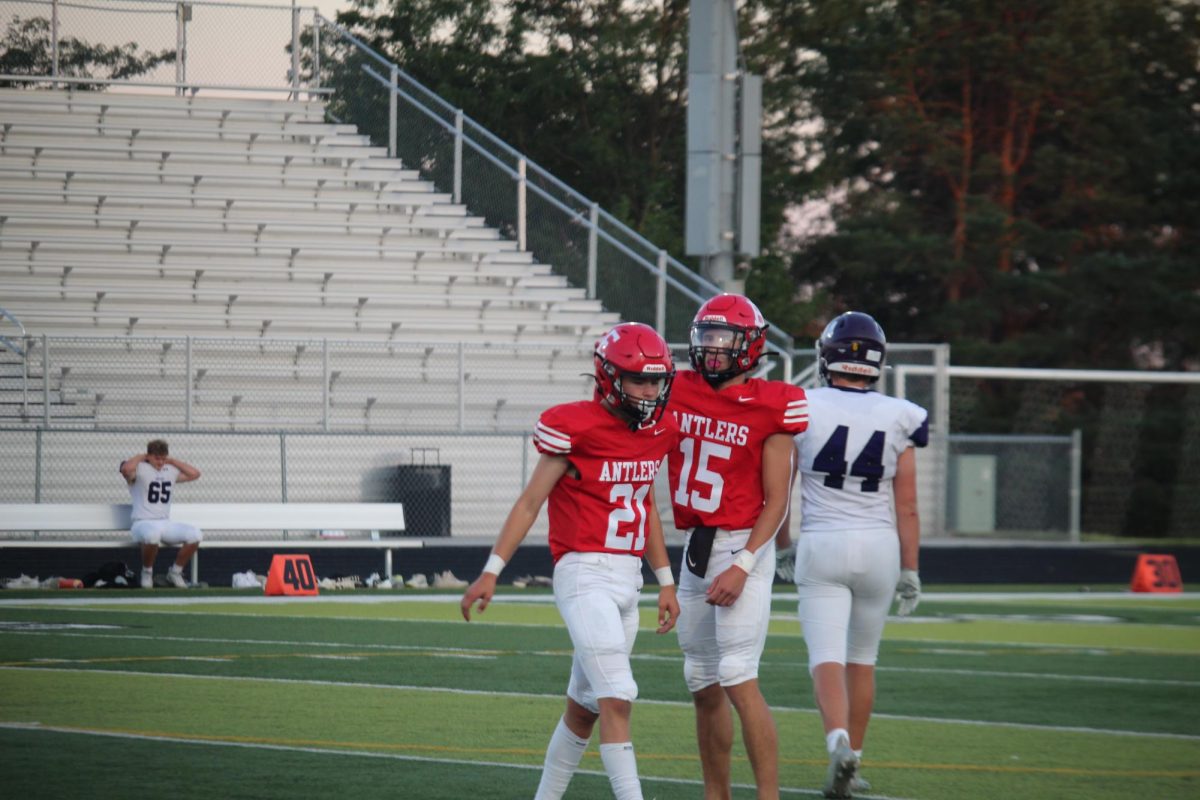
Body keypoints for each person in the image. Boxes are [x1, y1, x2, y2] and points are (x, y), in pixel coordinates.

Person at [460, 322, 681, 800]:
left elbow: (643, 506)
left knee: (585, 710)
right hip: (584, 574)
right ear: (608, 377)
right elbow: (529, 502)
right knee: (618, 697)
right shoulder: (574, 426)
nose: (649, 390)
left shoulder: (659, 430)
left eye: (656, 380)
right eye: (638, 379)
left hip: (628, 579)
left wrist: (665, 579)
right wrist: (491, 571)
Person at [665, 294, 809, 800]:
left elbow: (777, 501)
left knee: (735, 674)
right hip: (694, 545)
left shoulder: (774, 403)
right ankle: (716, 794)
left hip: (741, 543)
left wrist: (744, 565)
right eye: (706, 338)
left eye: (724, 339)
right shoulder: (676, 388)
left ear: (751, 346)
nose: (713, 349)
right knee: (699, 677)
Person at [779, 311, 926, 798]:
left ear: (827, 357)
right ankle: (855, 762)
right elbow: (906, 504)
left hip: (822, 542)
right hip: (880, 546)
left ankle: (837, 741)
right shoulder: (900, 413)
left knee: (826, 657)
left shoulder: (802, 404)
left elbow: (780, 490)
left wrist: (782, 548)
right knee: (863, 659)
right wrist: (911, 568)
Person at [119, 439, 203, 589]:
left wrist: (172, 461)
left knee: (195, 534)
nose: (160, 462)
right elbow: (126, 469)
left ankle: (175, 572)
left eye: (163, 458)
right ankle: (147, 572)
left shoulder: (169, 469)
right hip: (142, 522)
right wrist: (142, 456)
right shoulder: (139, 468)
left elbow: (195, 474)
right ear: (149, 456)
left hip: (165, 522)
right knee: (152, 536)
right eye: (157, 458)